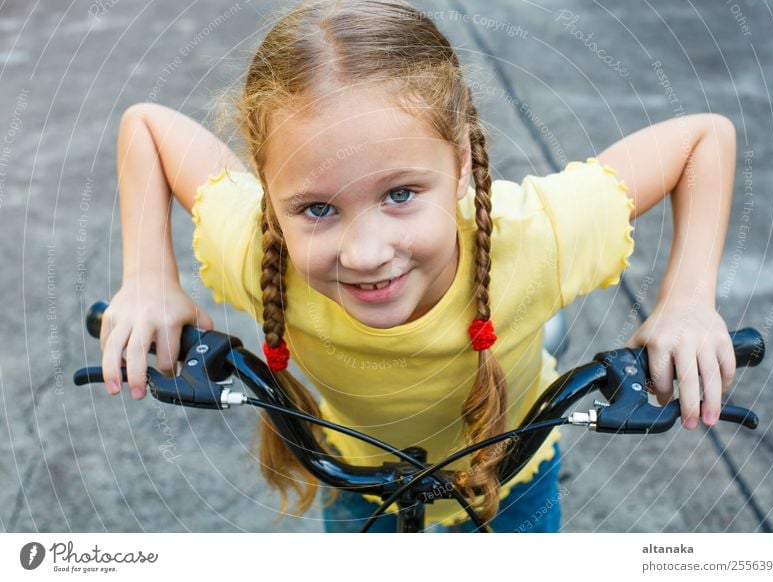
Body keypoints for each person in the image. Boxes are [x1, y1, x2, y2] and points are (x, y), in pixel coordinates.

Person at [99, 0, 738, 532]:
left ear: (461, 164)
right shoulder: (260, 247)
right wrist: (149, 278)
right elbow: (148, 128)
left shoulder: (535, 236)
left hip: (511, 479)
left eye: (400, 195)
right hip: (357, 479)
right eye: (317, 207)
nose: (365, 253)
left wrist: (686, 300)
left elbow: (704, 139)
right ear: (269, 195)